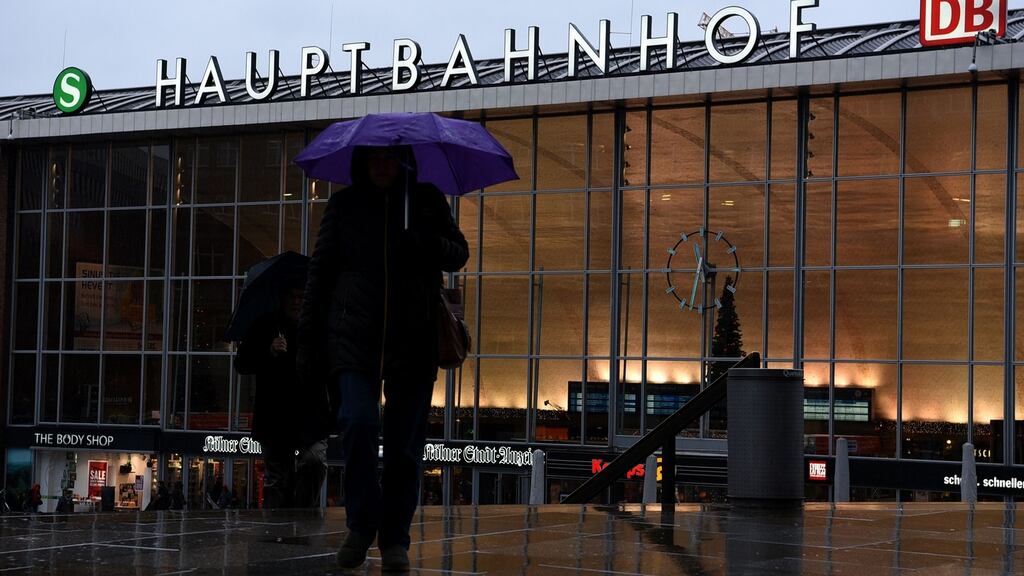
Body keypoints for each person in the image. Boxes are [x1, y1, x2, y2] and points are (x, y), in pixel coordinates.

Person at [297, 146, 469, 572]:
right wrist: (308, 341)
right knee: (356, 422)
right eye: (373, 157)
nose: (381, 165)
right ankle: (361, 524)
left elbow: (459, 252)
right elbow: (319, 274)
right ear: (361, 160)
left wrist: (425, 244)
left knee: (403, 450)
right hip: (354, 339)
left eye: (390, 157)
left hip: (413, 341)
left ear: (403, 161)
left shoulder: (426, 199)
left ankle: (395, 540)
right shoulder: (344, 205)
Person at [235, 280, 331, 510]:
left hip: (310, 413)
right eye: (292, 297)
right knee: (278, 478)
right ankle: (277, 528)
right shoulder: (266, 325)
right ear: (282, 298)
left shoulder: (316, 327)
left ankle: (303, 511)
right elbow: (242, 363)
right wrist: (268, 352)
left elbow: (329, 365)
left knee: (315, 461)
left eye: (301, 297)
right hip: (275, 415)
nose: (296, 302)